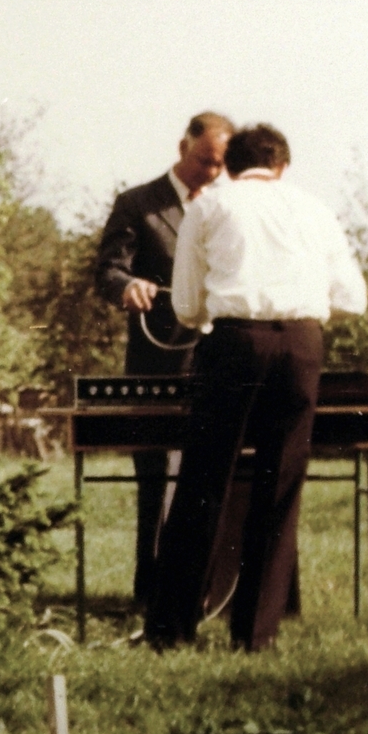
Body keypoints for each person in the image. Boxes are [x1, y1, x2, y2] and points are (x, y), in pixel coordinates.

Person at [147, 124, 367, 651]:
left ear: (229, 165)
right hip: (300, 346)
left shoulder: (209, 206)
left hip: (234, 342)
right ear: (283, 166)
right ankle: (255, 635)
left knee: (203, 482)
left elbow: (186, 305)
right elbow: (352, 296)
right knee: (279, 487)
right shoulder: (316, 210)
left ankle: (173, 631)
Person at [96, 112, 234, 605]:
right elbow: (107, 269)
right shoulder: (138, 203)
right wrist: (127, 285)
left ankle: (210, 590)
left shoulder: (228, 207)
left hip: (218, 358)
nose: (212, 174)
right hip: (158, 362)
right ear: (182, 147)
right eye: (205, 162)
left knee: (215, 478)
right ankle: (151, 590)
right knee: (156, 481)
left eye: (221, 165)